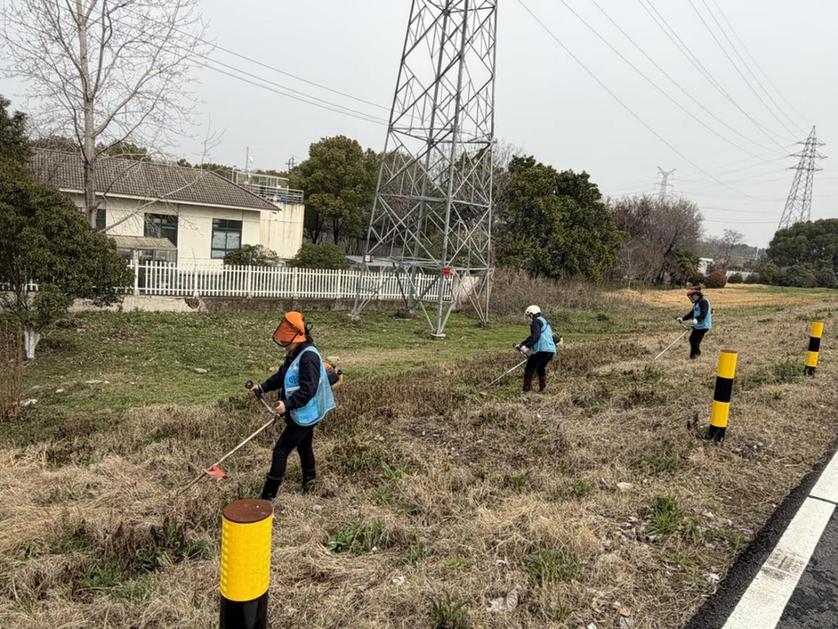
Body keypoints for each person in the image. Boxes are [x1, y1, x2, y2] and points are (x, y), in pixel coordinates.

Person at [250, 311, 336, 500]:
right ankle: (310, 484)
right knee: (304, 447)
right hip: (303, 412)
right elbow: (282, 376)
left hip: (305, 413)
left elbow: (308, 389)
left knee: (280, 451)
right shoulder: (294, 353)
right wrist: (262, 387)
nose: (284, 338)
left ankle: (267, 497)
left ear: (298, 336)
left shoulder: (309, 357)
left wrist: (288, 404)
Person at [514, 305, 560, 392]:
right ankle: (543, 389)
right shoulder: (546, 322)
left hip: (541, 350)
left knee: (529, 368)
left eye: (529, 315)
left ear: (532, 314)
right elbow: (533, 336)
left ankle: (526, 391)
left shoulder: (535, 322)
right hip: (550, 350)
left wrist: (526, 347)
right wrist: (522, 344)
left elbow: (535, 337)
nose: (529, 318)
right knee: (540, 368)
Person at [677, 287, 713, 359]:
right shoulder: (697, 303)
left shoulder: (704, 302)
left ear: (697, 295)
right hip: (698, 325)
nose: (691, 298)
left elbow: (704, 313)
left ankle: (695, 355)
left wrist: (697, 319)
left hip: (704, 326)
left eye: (692, 296)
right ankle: (695, 354)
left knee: (695, 341)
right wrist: (683, 318)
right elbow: (692, 313)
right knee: (692, 340)